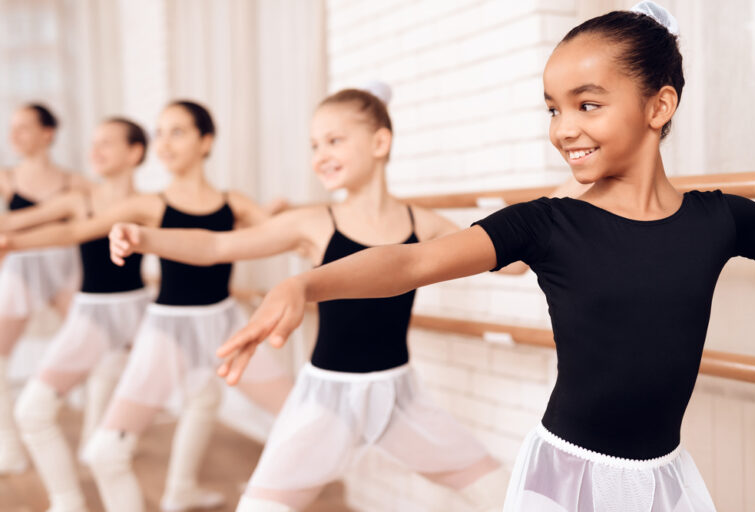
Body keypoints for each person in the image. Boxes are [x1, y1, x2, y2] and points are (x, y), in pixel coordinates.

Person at [210, 3, 749, 510]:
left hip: (667, 476)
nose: (563, 128)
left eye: (587, 105)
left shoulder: (720, 220)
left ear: (660, 105)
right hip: (565, 473)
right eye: (553, 109)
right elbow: (410, 264)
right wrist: (304, 286)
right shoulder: (546, 223)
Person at [109, 85, 516, 512]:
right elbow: (216, 246)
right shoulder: (314, 223)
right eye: (314, 145)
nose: (319, 155)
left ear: (380, 142)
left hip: (401, 398)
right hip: (325, 402)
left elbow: (510, 262)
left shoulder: (423, 223)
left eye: (334, 141)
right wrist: (144, 237)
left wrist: (563, 203)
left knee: (502, 490)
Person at [1, 100, 293, 512]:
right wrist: (11, 242)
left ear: (205, 141)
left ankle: (243, 492)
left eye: (177, 132)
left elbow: (281, 232)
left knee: (294, 415)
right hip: (164, 324)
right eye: (160, 133)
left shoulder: (234, 202)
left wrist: (292, 217)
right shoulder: (147, 205)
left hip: (226, 323)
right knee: (107, 447)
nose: (165, 142)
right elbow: (77, 230)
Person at [0, 103, 87, 474]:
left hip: (64, 267)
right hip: (20, 269)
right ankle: (8, 445)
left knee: (96, 345)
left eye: (23, 128)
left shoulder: (75, 182)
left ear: (47, 133)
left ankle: (92, 441)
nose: (14, 135)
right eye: (12, 128)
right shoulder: (6, 177)